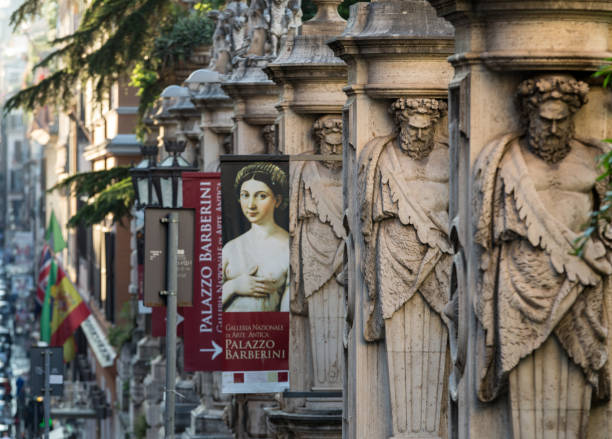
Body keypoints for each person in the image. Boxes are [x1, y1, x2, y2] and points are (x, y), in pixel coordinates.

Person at [473, 74, 612, 434]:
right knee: (525, 382)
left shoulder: (596, 160)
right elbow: (485, 231)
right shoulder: (505, 161)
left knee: (578, 378)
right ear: (529, 117)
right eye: (544, 121)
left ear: (572, 118)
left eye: (560, 121)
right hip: (522, 281)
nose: (552, 128)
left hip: (581, 285)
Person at [222, 162, 289, 312]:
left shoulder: (289, 247)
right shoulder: (230, 248)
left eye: (261, 196)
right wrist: (233, 286)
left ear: (277, 200)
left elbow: (288, 310)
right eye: (245, 195)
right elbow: (206, 304)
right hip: (232, 332)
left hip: (270, 331)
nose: (251, 205)